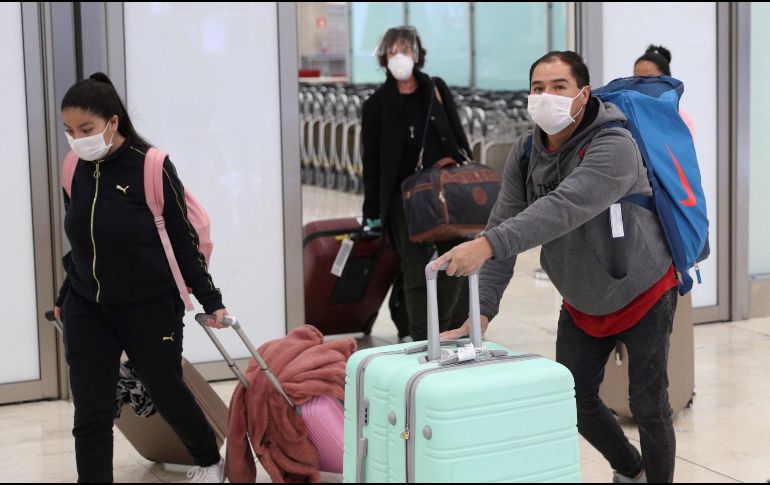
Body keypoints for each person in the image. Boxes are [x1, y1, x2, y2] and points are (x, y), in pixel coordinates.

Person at [437, 51, 678, 483]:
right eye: (537, 88)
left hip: (644, 289)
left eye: (558, 87)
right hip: (582, 298)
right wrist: (483, 309)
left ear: (583, 95)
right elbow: (505, 223)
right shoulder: (527, 151)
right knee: (576, 397)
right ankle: (630, 469)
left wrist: (487, 245)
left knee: (650, 408)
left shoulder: (615, 146)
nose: (545, 96)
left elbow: (563, 208)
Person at [54, 72, 227, 483]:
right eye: (69, 130)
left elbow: (183, 242)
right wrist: (65, 294)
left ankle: (209, 461)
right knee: (92, 409)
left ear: (112, 122)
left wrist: (211, 300)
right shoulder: (73, 167)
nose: (76, 138)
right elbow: (82, 242)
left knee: (165, 391)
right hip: (87, 305)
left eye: (85, 129)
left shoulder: (152, 167)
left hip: (149, 305)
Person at [361, 26, 471, 341]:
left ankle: (445, 329)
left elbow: (457, 136)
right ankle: (423, 337)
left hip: (445, 193)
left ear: (418, 55)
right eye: (394, 51)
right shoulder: (376, 105)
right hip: (402, 199)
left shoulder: (435, 90)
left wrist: (464, 168)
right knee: (415, 270)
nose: (400, 57)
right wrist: (372, 211)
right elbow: (372, 163)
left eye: (406, 50)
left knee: (454, 262)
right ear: (384, 57)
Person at [633, 44, 696, 139]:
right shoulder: (626, 112)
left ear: (667, 80)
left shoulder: (682, 120)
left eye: (649, 78)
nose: (641, 84)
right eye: (636, 78)